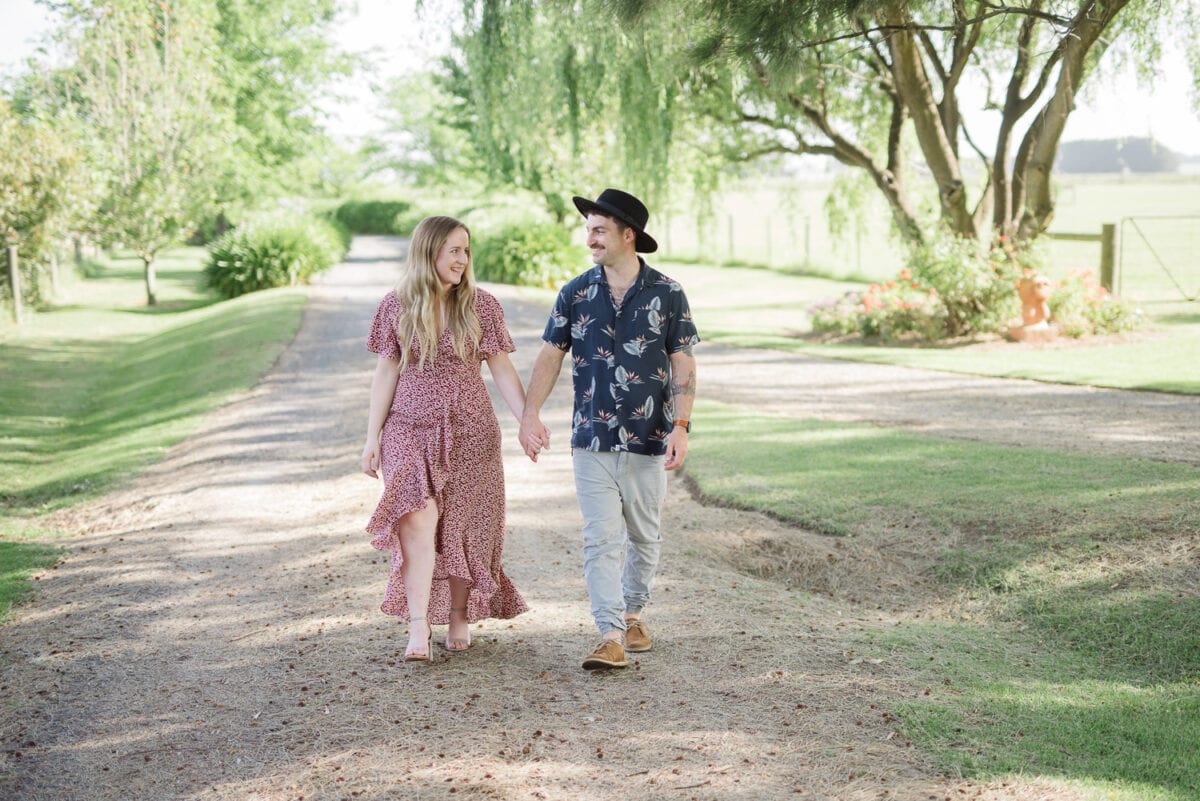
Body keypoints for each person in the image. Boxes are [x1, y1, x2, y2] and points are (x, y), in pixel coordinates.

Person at [519, 188, 699, 670]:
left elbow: (682, 360)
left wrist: (681, 425)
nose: (590, 239)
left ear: (628, 235)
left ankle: (633, 612)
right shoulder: (575, 292)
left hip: (648, 438)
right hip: (591, 440)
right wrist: (530, 413)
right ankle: (610, 633)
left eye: (599, 231)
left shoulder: (668, 292)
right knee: (600, 538)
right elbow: (551, 355)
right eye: (588, 230)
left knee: (644, 536)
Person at [362, 215, 529, 662]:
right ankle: (418, 626)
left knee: (464, 525)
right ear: (429, 250)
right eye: (454, 250)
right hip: (407, 429)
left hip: (472, 431)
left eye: (466, 250)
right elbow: (385, 372)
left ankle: (458, 612)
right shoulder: (394, 305)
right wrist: (372, 436)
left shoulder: (482, 306)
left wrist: (526, 420)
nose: (462, 259)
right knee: (415, 518)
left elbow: (502, 370)